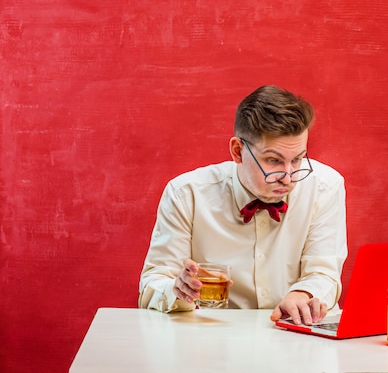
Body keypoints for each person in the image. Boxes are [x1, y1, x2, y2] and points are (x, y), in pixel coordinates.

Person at [139, 85, 347, 326]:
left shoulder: (325, 187)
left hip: (295, 336)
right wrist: (177, 289)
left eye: (298, 159)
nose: (288, 178)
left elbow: (324, 273)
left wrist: (303, 294)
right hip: (209, 340)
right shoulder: (186, 194)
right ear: (237, 151)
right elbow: (153, 283)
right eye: (273, 160)